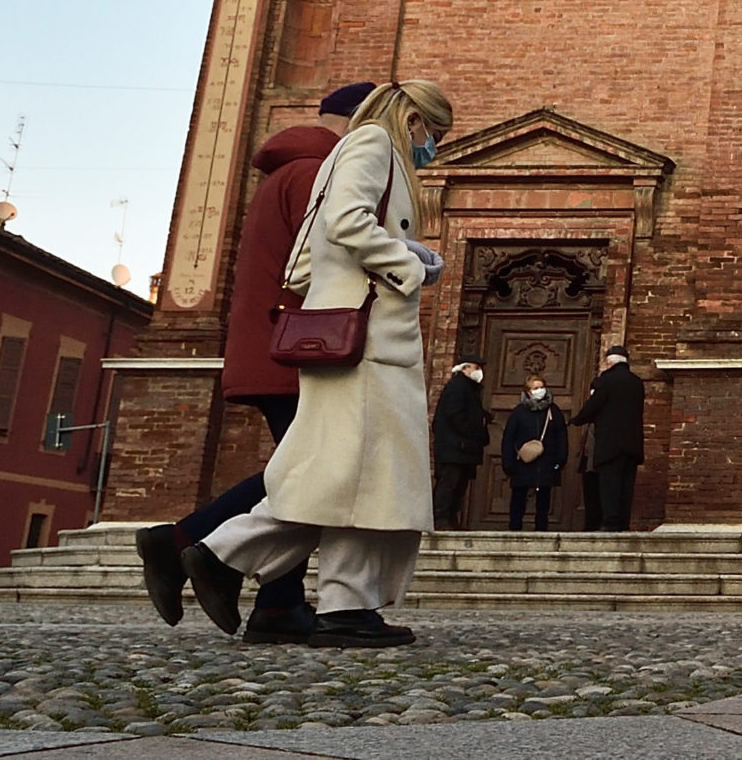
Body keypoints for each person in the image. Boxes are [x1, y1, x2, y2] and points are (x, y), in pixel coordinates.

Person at [181, 79, 453, 648]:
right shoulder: (375, 144)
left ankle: (340, 604)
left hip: (362, 333)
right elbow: (347, 224)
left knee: (362, 475)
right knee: (351, 471)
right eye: (437, 134)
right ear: (414, 121)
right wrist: (412, 262)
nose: (436, 148)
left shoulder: (355, 149)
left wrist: (347, 281)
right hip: (367, 339)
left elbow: (305, 258)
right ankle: (224, 556)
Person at [135, 80, 375, 642]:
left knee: (300, 471)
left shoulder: (284, 172)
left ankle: (277, 605)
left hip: (271, 343)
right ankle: (185, 542)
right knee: (317, 471)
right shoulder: (319, 174)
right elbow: (329, 262)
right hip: (304, 348)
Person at [571, 345, 645, 532]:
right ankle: (623, 523)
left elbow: (592, 408)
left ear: (609, 362)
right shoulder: (637, 382)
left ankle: (611, 522)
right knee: (626, 485)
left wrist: (576, 419)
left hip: (610, 444)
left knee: (609, 483)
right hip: (632, 444)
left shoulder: (605, 381)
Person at [501, 371, 569, 531]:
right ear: (527, 392)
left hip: (547, 460)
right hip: (523, 462)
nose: (539, 390)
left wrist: (561, 459)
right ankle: (515, 527)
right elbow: (509, 437)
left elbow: (561, 435)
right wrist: (508, 462)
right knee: (519, 495)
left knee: (544, 497)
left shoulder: (553, 410)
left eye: (541, 387)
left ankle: (541, 528)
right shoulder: (519, 412)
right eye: (535, 388)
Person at [431, 356, 490, 531]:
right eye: (475, 367)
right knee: (449, 483)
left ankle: (450, 519)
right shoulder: (458, 387)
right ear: (465, 368)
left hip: (462, 449)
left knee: (458, 485)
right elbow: (455, 415)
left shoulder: (468, 389)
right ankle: (440, 519)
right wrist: (475, 430)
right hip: (455, 448)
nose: (479, 371)